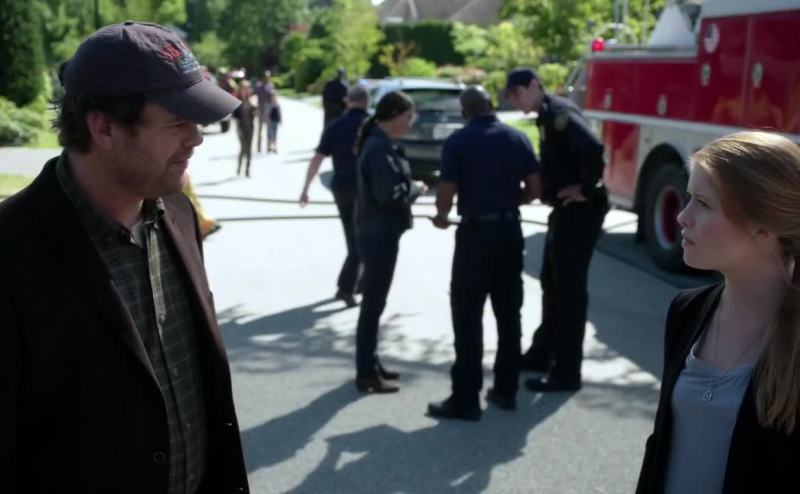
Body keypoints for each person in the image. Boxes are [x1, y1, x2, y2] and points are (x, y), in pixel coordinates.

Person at [0, 22, 249, 493]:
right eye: (177, 123)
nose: (196, 139)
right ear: (105, 127)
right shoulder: (13, 250)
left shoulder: (178, 211)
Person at [637, 131, 800, 493]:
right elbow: (660, 447)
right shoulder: (687, 310)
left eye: (702, 203)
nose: (682, 217)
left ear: (763, 225)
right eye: (688, 199)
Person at [427, 87, 541, 421]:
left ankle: (466, 398)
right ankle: (506, 390)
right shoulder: (518, 138)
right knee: (509, 314)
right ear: (492, 105)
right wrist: (510, 202)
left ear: (464, 111)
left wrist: (441, 216)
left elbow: (446, 191)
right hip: (509, 232)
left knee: (467, 315)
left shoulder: (458, 141)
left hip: (475, 235)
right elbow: (535, 188)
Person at [505, 67, 609, 392]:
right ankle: (541, 355)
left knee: (568, 292)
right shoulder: (548, 113)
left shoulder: (559, 113)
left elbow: (592, 148)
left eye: (517, 94)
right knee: (552, 284)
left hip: (579, 211)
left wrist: (586, 189)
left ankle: (566, 373)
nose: (515, 101)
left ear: (534, 85)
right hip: (565, 210)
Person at [353, 91, 427, 393]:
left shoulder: (380, 143)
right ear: (394, 114)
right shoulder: (379, 147)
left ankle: (370, 362)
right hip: (378, 233)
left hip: (379, 232)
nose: (410, 123)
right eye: (408, 117)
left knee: (375, 303)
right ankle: (366, 372)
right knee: (373, 304)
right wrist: (415, 189)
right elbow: (389, 195)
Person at [299, 85, 370, 307]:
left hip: (341, 187)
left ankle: (358, 283)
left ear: (348, 102)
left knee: (354, 238)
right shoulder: (372, 125)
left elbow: (317, 159)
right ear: (366, 102)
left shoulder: (336, 125)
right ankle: (347, 287)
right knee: (362, 241)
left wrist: (306, 189)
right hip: (365, 190)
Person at [233, 79, 256, 177]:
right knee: (243, 147)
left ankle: (247, 170)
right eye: (244, 88)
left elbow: (255, 113)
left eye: (247, 88)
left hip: (250, 127)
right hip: (241, 127)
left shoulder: (252, 100)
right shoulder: (237, 101)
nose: (246, 90)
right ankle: (239, 167)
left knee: (249, 148)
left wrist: (252, 106)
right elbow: (234, 115)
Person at [255, 70, 275, 153]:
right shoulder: (259, 86)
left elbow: (273, 98)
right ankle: (259, 147)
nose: (267, 78)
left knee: (269, 129)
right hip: (260, 109)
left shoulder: (270, 86)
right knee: (260, 129)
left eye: (268, 77)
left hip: (268, 109)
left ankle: (268, 147)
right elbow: (254, 95)